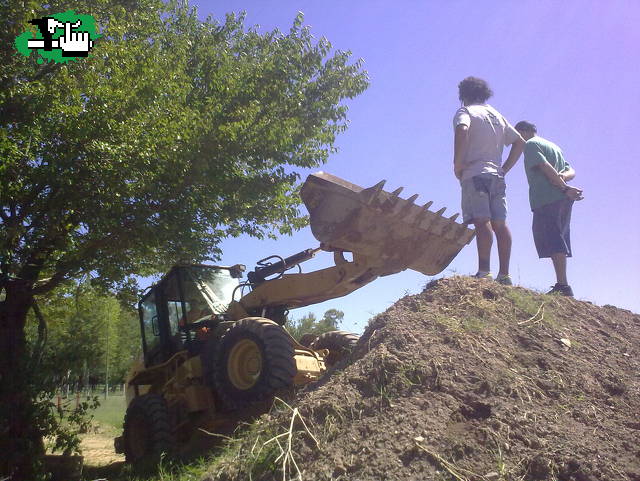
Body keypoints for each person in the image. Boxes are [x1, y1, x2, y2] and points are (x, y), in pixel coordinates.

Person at [453, 77, 525, 285]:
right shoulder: (497, 115)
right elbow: (520, 142)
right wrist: (504, 169)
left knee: (481, 220)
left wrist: (457, 163)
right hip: (496, 175)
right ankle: (505, 275)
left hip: (475, 173)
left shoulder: (466, 112)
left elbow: (462, 130)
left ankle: (484, 272)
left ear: (463, 95)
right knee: (500, 223)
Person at [514, 121, 583, 296]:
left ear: (524, 131)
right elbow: (571, 170)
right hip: (561, 198)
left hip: (547, 198)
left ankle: (563, 285)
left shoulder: (530, 144)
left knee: (553, 238)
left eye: (518, 134)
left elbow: (544, 167)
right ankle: (562, 283)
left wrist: (564, 187)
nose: (517, 139)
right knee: (558, 236)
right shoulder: (553, 146)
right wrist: (564, 181)